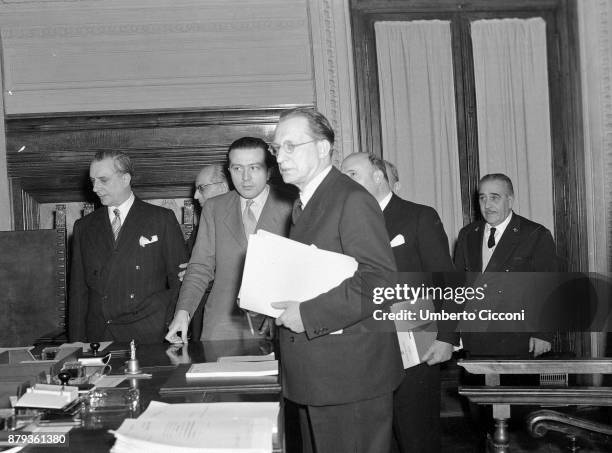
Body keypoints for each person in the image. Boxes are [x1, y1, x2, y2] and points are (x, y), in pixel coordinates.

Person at [271, 108, 404, 453]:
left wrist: (308, 314)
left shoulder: (350, 199)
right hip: (323, 374)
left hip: (350, 378)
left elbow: (380, 281)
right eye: (276, 149)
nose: (280, 157)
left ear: (323, 148)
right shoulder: (307, 204)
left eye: (290, 146)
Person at [341, 152, 456, 453]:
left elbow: (448, 283)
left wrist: (446, 337)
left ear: (378, 177)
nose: (345, 181)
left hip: (414, 333)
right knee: (377, 436)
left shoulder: (419, 216)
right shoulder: (345, 222)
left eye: (353, 173)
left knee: (416, 434)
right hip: (364, 343)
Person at [165, 137, 293, 342]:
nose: (246, 178)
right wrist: (183, 312)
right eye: (237, 169)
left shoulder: (292, 205)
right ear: (229, 171)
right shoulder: (214, 208)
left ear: (269, 171)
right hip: (222, 328)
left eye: (254, 168)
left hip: (279, 325)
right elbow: (200, 267)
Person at [69, 150, 187, 343]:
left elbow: (180, 280)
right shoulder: (84, 227)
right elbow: (78, 293)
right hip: (100, 335)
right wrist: (75, 344)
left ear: (125, 179)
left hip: (150, 334)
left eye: (103, 180)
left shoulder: (161, 219)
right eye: (93, 181)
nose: (95, 188)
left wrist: (170, 324)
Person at [454, 173, 557, 357]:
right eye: (482, 198)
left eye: (494, 197)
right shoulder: (468, 234)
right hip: (474, 340)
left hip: (518, 340)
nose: (487, 205)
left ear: (510, 200)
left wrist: (543, 334)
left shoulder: (535, 235)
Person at [184, 164, 230, 339]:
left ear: (223, 187)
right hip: (201, 314)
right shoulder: (201, 225)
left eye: (202, 188)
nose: (195, 196)